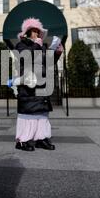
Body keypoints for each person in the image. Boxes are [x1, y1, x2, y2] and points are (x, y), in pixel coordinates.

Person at [15, 17, 63, 152]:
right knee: (28, 114)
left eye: (38, 32)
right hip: (29, 85)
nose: (38, 34)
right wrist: (36, 45)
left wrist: (57, 53)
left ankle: (41, 139)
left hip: (42, 84)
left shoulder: (41, 46)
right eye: (35, 31)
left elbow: (47, 62)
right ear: (27, 32)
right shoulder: (21, 45)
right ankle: (22, 141)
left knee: (42, 114)